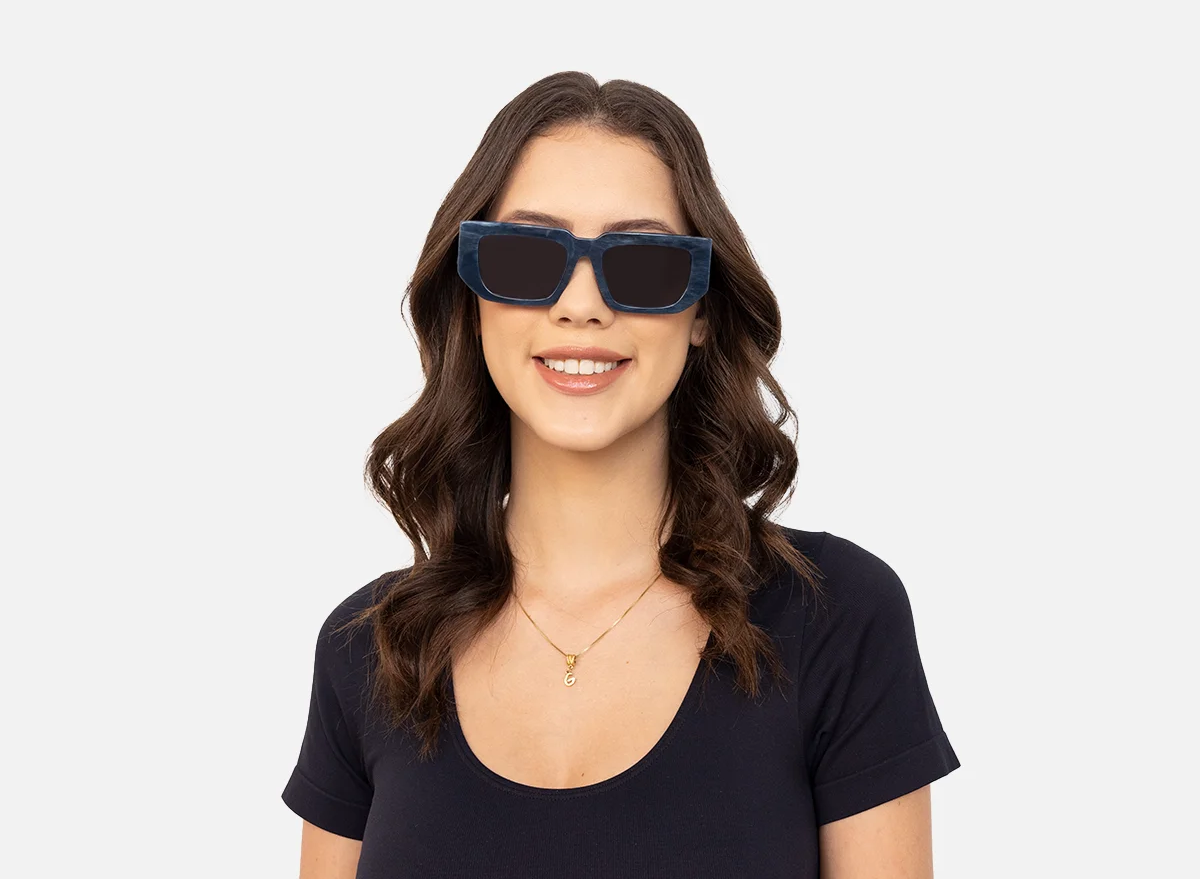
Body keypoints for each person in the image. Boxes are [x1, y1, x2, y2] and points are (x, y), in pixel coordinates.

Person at [281, 71, 960, 879]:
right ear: (471, 299)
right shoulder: (372, 649)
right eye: (526, 256)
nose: (582, 305)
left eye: (642, 265)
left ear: (702, 311)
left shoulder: (835, 615)